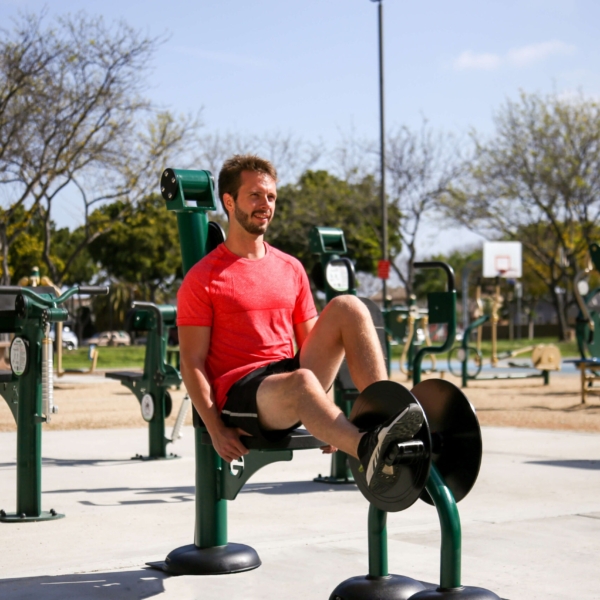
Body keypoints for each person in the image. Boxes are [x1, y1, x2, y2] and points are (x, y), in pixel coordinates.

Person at [177, 154, 423, 494]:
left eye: (272, 197)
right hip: (242, 396)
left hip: (291, 376)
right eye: (255, 196)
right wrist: (215, 428)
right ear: (229, 202)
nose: (266, 204)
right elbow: (191, 361)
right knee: (301, 380)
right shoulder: (203, 277)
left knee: (348, 306)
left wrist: (329, 418)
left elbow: (315, 349)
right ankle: (370, 450)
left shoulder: (290, 268)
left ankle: (386, 419)